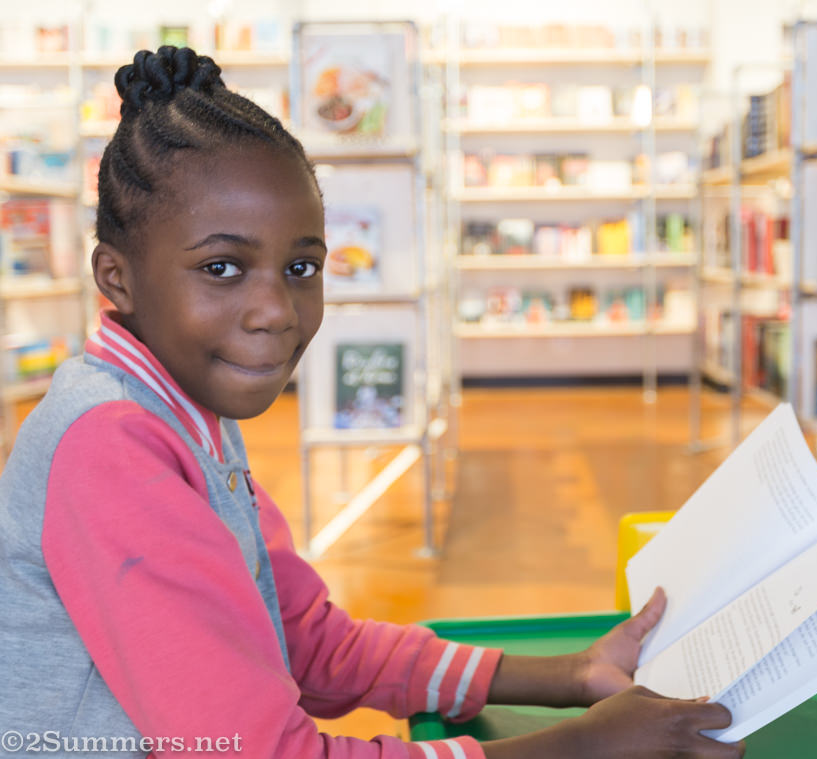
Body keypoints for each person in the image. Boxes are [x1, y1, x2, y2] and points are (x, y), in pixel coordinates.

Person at [0, 47, 743, 759]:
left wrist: (571, 675)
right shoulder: (113, 446)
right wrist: (586, 744)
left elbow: (307, 642)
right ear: (116, 277)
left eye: (302, 266)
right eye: (221, 267)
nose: (277, 310)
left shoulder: (184, 413)